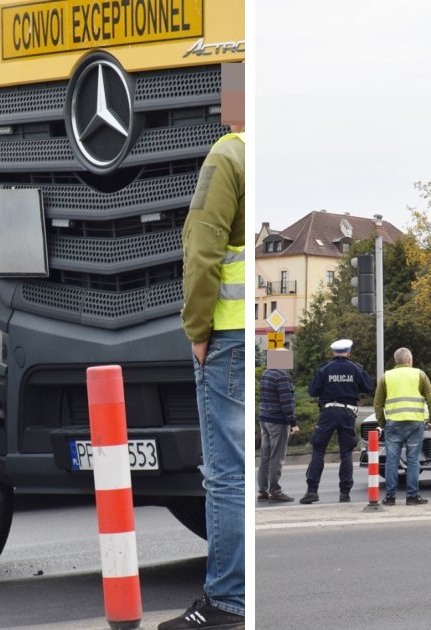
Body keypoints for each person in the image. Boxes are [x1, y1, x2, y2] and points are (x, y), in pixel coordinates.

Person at [163, 94, 245, 628]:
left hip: (223, 336)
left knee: (224, 473)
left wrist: (197, 328)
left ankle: (226, 600)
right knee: (237, 465)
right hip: (248, 336)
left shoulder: (229, 153)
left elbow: (202, 248)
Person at [300, 339, 374, 504]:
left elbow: (313, 391)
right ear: (348, 352)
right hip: (348, 413)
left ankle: (312, 491)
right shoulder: (356, 368)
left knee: (318, 450)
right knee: (346, 453)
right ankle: (344, 494)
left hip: (328, 413)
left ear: (333, 352)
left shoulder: (324, 369)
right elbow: (368, 387)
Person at [373, 348, 431, 506]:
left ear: (396, 361)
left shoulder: (386, 377)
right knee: (413, 461)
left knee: (391, 462)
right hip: (415, 423)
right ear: (410, 360)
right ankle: (412, 497)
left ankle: (390, 498)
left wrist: (383, 423)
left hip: (393, 424)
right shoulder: (420, 375)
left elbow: (377, 404)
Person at [257, 354, 297, 503]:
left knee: (265, 456)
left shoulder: (266, 373)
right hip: (278, 421)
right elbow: (286, 402)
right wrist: (293, 423)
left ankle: (262, 490)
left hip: (265, 419)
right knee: (277, 457)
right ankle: (275, 491)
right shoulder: (281, 376)